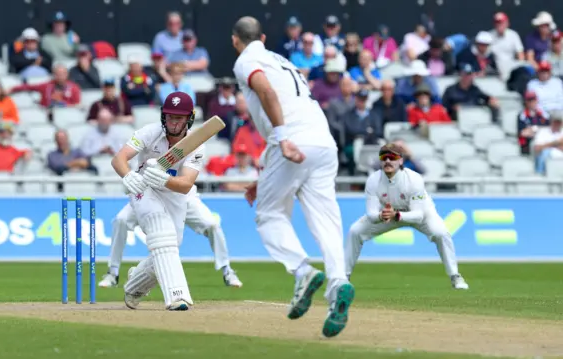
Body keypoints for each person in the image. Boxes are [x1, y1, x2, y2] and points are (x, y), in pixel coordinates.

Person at [231, 16, 354, 338]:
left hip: (294, 141)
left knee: (269, 214)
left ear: (235, 40)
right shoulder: (280, 59)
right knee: (327, 221)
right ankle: (338, 281)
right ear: (264, 36)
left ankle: (302, 271)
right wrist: (267, 177)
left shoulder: (247, 60)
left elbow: (266, 92)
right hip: (324, 142)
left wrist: (284, 137)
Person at [111, 91, 204, 311]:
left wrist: (164, 179)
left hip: (174, 195)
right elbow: (119, 159)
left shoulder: (196, 144)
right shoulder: (149, 132)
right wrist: (128, 175)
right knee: (162, 235)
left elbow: (186, 185)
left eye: (179, 118)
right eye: (170, 116)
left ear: (189, 118)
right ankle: (177, 296)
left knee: (169, 246)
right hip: (143, 189)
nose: (173, 122)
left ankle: (134, 285)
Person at [345, 143, 469, 290]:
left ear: (401, 161)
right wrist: (381, 215)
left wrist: (397, 215)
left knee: (441, 233)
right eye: (384, 158)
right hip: (389, 214)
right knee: (355, 231)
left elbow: (418, 216)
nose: (388, 161)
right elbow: (371, 214)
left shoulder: (414, 179)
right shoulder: (373, 180)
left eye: (392, 157)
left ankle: (455, 276)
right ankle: (344, 277)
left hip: (420, 213)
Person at [97, 187, 243, 288]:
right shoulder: (148, 143)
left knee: (212, 225)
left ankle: (227, 271)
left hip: (182, 198)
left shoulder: (188, 147)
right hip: (148, 198)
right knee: (120, 220)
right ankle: (113, 273)